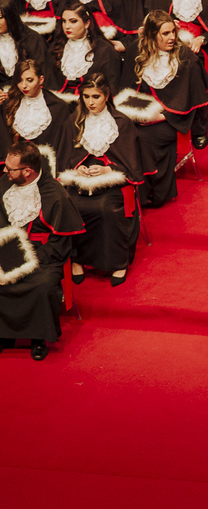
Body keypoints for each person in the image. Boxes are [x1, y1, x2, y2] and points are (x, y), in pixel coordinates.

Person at [55, 72, 150, 287]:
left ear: (106, 95)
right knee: (72, 205)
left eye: (95, 96)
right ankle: (78, 260)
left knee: (107, 208)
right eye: (86, 96)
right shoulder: (74, 120)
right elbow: (65, 158)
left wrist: (108, 170)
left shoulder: (121, 123)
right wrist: (77, 170)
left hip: (114, 180)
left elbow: (130, 165)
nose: (90, 102)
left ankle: (118, 263)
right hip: (81, 178)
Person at [0, 140, 84, 360]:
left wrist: (34, 258)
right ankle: (4, 334)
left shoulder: (55, 194)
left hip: (44, 253)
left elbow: (62, 242)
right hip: (7, 248)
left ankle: (38, 338)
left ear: (27, 171)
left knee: (41, 285)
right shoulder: (4, 184)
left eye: (10, 169)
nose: (4, 171)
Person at [130, 11, 208, 199]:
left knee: (142, 137)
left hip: (174, 119)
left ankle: (154, 193)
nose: (172, 37)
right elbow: (127, 89)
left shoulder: (186, 58)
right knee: (124, 132)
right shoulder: (138, 51)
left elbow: (193, 102)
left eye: (173, 32)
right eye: (165, 34)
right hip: (143, 113)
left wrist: (162, 116)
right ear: (151, 35)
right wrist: (138, 114)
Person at [46, 2, 123, 94]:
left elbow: (111, 87)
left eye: (73, 21)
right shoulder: (56, 47)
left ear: (87, 23)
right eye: (64, 21)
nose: (67, 26)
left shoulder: (105, 51)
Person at [3, 59, 72, 149]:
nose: (24, 85)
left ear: (41, 80)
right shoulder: (10, 103)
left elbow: (63, 145)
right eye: (20, 81)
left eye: (30, 80)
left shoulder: (58, 107)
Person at [0, 0, 52, 89]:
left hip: (28, 88)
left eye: (0, 18)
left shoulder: (32, 39)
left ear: (10, 18)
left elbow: (42, 73)